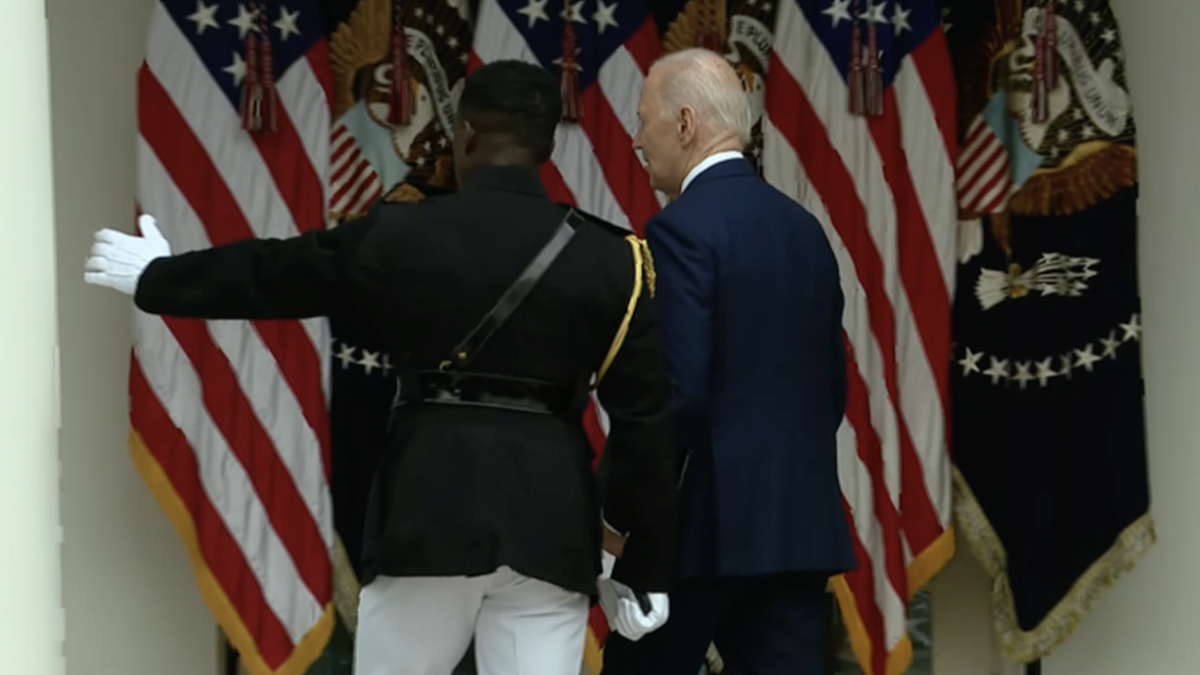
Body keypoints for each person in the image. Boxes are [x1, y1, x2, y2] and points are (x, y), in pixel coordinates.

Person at [83, 60, 678, 675]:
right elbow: (648, 422)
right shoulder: (615, 261)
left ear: (464, 134)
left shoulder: (404, 233)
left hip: (429, 512)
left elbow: (280, 275)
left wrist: (160, 277)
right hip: (549, 526)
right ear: (548, 146)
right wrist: (642, 565)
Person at [600, 48, 857, 675]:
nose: (636, 139)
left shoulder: (679, 231)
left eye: (643, 120)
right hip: (796, 532)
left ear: (685, 124)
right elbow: (831, 390)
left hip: (701, 537)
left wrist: (619, 513)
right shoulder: (804, 229)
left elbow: (676, 395)